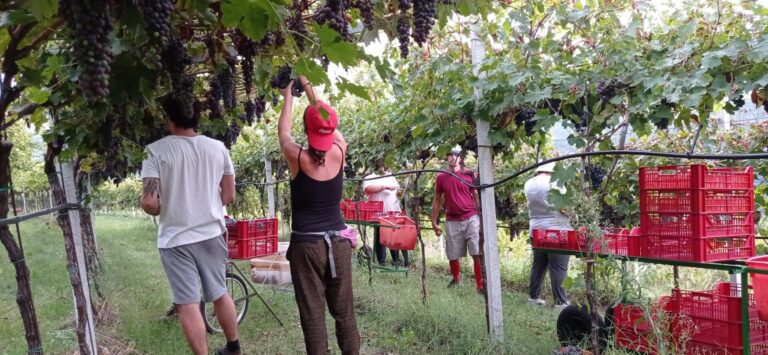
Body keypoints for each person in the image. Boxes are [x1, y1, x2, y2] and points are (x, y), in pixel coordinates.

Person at [140, 96, 241, 355]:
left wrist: (171, 206)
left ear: (169, 118)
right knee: (219, 292)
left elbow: (150, 203)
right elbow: (229, 195)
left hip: (176, 239)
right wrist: (204, 206)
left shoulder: (155, 151)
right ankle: (233, 347)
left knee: (188, 303)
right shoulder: (218, 148)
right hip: (212, 233)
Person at [277, 76, 360, 355]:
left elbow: (284, 132)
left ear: (307, 130)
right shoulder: (340, 150)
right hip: (339, 243)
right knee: (344, 312)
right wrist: (309, 85)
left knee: (313, 316)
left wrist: (289, 93)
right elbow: (328, 123)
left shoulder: (297, 157)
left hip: (307, 246)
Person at [430, 146, 484, 294]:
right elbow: (437, 200)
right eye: (450, 155)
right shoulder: (441, 177)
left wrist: (480, 214)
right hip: (452, 219)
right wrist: (434, 222)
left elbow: (476, 195)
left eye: (456, 155)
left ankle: (480, 285)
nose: (453, 158)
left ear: (460, 158)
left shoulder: (469, 174)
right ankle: (456, 279)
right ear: (446, 158)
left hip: (471, 217)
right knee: (452, 254)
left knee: (476, 252)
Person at [524, 161, 571, 310]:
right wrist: (575, 216)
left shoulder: (529, 183)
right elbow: (564, 207)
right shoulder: (555, 182)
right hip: (557, 230)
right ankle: (561, 302)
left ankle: (533, 297)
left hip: (536, 229)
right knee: (558, 267)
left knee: (539, 264)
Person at [363, 160, 408, 267]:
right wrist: (384, 187)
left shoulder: (391, 176)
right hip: (379, 214)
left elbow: (398, 190)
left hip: (394, 213)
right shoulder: (370, 177)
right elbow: (368, 190)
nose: (382, 165)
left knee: (395, 236)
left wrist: (401, 191)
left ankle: (397, 261)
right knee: (381, 237)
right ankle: (381, 263)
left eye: (383, 163)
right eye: (379, 163)